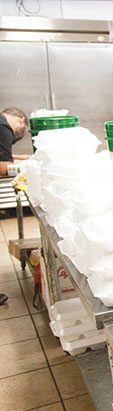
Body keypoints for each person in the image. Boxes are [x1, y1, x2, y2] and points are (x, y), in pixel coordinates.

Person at [0, 107, 28, 307]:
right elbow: (2, 167)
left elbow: (6, 157)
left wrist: (24, 159)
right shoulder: (4, 127)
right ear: (20, 120)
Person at [0, 107, 29, 176]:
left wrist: (23, 158)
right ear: (21, 121)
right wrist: (29, 164)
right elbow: (3, 169)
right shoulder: (3, 127)